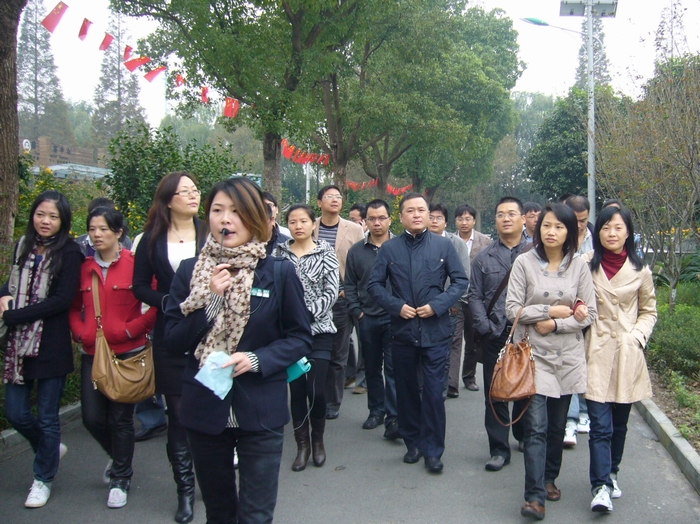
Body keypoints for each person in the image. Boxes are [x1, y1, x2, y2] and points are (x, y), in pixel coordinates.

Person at [163, 178, 312, 524]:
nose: (225, 220)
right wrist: (210, 299)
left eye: (236, 211)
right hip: (205, 409)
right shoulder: (190, 272)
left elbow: (300, 337)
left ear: (254, 219)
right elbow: (172, 341)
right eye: (217, 211)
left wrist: (257, 360)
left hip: (260, 410)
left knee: (256, 515)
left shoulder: (278, 272)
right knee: (219, 513)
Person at [506, 203, 596, 521]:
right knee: (536, 427)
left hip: (569, 356)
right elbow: (513, 309)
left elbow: (590, 315)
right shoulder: (524, 263)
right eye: (546, 225)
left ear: (570, 231)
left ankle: (549, 478)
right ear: (538, 229)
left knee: (558, 427)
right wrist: (553, 311)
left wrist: (558, 324)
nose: (551, 231)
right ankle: (534, 496)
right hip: (534, 355)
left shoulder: (579, 268)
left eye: (559, 226)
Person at [368, 192, 468, 474]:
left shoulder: (443, 246)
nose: (416, 214)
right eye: (409, 210)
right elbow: (375, 286)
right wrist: (396, 306)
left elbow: (460, 282)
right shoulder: (389, 249)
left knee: (435, 394)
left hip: (436, 331)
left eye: (421, 210)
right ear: (400, 217)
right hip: (402, 331)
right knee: (407, 392)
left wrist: (437, 306)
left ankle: (434, 451)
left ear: (428, 215)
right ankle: (412, 443)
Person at [69, 207, 157, 508]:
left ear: (119, 232)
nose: (96, 235)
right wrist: (81, 332)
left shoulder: (136, 265)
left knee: (121, 420)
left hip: (127, 355)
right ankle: (118, 458)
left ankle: (121, 476)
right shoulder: (84, 267)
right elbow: (72, 306)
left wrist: (133, 330)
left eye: (104, 229)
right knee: (92, 418)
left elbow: (155, 305)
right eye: (92, 229)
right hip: (92, 353)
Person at [0, 190, 83, 508]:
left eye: (53, 216)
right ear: (32, 214)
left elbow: (61, 301)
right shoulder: (23, 246)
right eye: (40, 214)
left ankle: (43, 478)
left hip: (50, 345)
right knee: (16, 413)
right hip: (19, 346)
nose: (45, 221)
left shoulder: (70, 252)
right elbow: (11, 284)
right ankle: (49, 447)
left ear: (62, 221)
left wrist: (13, 315)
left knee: (47, 417)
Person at [132, 171, 204, 523]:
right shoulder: (151, 239)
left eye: (195, 189)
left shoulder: (213, 231)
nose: (193, 196)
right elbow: (140, 286)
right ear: (168, 199)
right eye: (184, 191)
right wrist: (170, 302)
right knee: (177, 416)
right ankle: (185, 490)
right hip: (171, 335)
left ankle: (211, 474)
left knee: (210, 410)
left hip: (213, 334)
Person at [583, 205, 657, 513]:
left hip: (627, 353)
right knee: (600, 425)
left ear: (628, 232)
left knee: (619, 424)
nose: (611, 234)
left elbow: (649, 311)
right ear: (597, 233)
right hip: (596, 353)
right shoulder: (585, 264)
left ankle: (612, 472)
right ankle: (600, 486)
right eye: (605, 228)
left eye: (618, 228)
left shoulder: (641, 271)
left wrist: (637, 337)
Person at [275, 204, 339, 471]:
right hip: (288, 335)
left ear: (314, 224)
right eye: (292, 221)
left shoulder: (326, 251)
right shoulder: (279, 254)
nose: (298, 226)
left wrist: (305, 314)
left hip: (320, 330)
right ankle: (302, 446)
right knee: (297, 390)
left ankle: (318, 440)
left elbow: (332, 290)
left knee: (316, 389)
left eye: (303, 221)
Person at [468, 197, 529, 472]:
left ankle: (524, 433)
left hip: (529, 336)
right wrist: (485, 327)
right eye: (500, 214)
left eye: (512, 213)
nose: (506, 218)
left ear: (523, 219)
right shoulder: (484, 257)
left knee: (527, 389)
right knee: (495, 394)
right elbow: (475, 296)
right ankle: (498, 449)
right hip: (496, 333)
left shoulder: (536, 253)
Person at [345, 199, 399, 439]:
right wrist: (358, 312)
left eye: (381, 218)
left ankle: (394, 415)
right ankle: (375, 411)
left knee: (394, 369)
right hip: (368, 318)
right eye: (372, 219)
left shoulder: (400, 246)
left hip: (396, 318)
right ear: (365, 221)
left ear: (390, 219)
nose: (377, 223)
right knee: (372, 368)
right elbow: (349, 284)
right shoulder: (357, 251)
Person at [313, 185, 364, 420]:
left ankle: (332, 401)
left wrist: (349, 291)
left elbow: (360, 264)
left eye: (338, 197)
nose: (335, 200)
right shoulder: (309, 225)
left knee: (337, 353)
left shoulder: (353, 229)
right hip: (311, 300)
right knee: (313, 351)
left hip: (340, 300)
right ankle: (313, 397)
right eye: (329, 197)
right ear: (319, 202)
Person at [427, 203, 470, 399]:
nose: (434, 221)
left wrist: (450, 303)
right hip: (422, 307)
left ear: (445, 222)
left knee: (446, 349)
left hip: (450, 307)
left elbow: (463, 277)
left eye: (439, 218)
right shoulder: (419, 241)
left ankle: (443, 389)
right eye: (431, 217)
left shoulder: (456, 243)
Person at [562, 195, 594, 448]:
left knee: (586, 363)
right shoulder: (560, 239)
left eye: (584, 220)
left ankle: (584, 411)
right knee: (571, 363)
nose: (581, 225)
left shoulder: (598, 238)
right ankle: (571, 418)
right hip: (566, 313)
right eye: (577, 220)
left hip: (593, 312)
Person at [454, 204, 492, 391]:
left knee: (472, 341)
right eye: (460, 219)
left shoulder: (485, 242)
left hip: (475, 298)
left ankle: (469, 377)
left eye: (467, 218)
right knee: (453, 340)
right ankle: (450, 381)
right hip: (454, 298)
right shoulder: (450, 241)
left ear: (474, 221)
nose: (464, 222)